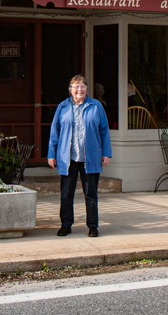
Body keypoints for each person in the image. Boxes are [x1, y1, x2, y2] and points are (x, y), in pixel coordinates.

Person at [47, 74, 112, 238]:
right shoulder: (62, 107)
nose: (79, 89)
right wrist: (51, 154)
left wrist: (106, 153)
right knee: (66, 194)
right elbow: (54, 132)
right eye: (76, 86)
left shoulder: (96, 106)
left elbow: (104, 131)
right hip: (67, 158)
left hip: (90, 158)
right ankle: (66, 225)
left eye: (82, 86)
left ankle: (92, 226)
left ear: (86, 89)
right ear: (70, 90)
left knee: (91, 194)